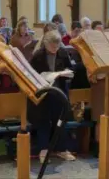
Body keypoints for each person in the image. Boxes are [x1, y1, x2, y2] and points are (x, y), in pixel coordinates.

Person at [28, 30, 76, 163]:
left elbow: (70, 68)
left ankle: (61, 149)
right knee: (43, 122)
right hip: (44, 93)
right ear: (46, 43)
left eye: (57, 46)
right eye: (53, 46)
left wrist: (66, 73)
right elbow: (31, 73)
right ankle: (43, 150)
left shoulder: (63, 52)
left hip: (60, 92)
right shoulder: (38, 55)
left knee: (60, 121)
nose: (55, 49)